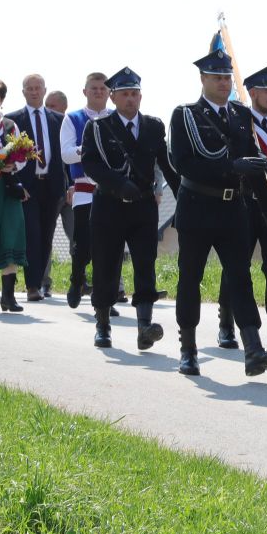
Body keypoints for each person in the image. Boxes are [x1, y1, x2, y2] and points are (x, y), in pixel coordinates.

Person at [169, 50, 267, 377]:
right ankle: (188, 349)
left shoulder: (240, 114)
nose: (223, 83)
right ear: (203, 79)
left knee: (240, 276)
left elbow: (254, 161)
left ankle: (253, 349)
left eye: (227, 77)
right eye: (217, 77)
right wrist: (230, 167)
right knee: (190, 277)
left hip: (233, 208)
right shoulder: (186, 115)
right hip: (197, 206)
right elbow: (183, 163)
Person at [79, 67, 179, 350]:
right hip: (109, 205)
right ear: (113, 98)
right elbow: (90, 163)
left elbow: (166, 163)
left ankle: (144, 327)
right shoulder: (98, 127)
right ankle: (103, 325)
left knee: (145, 264)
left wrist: (183, 195)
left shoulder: (153, 126)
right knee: (106, 265)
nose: (130, 99)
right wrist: (118, 183)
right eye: (124, 94)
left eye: (134, 94)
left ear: (141, 96)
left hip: (143, 207)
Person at [215, 65, 267, 355]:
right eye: (266, 90)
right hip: (245, 200)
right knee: (237, 265)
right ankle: (226, 325)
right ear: (252, 93)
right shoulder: (239, 121)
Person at [9, 74, 65, 303]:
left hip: (51, 185)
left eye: (37, 88)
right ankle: (32, 285)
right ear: (23, 92)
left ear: (44, 90)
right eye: (29, 88)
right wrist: (15, 184)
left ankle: (39, 281)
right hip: (27, 186)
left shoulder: (59, 119)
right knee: (31, 234)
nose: (34, 92)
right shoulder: (13, 120)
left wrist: (69, 185)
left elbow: (64, 153)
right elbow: (7, 156)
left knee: (46, 235)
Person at [59, 72, 112, 309]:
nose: (99, 92)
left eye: (102, 88)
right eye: (94, 88)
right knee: (82, 243)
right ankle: (77, 279)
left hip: (111, 189)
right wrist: (91, 146)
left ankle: (104, 296)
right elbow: (66, 154)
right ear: (85, 91)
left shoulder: (116, 117)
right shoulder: (73, 118)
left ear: (109, 92)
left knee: (109, 245)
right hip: (84, 187)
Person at [0, 77, 28, 313]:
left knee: (11, 235)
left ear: (1, 100)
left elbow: (23, 155)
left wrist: (13, 165)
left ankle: (8, 297)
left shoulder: (10, 126)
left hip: (8, 189)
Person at [42, 90, 70, 297]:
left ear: (64, 108)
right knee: (46, 239)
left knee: (79, 238)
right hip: (51, 192)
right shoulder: (43, 128)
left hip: (73, 193)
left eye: (52, 106)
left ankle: (81, 280)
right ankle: (44, 282)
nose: (48, 109)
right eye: (47, 106)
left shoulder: (72, 125)